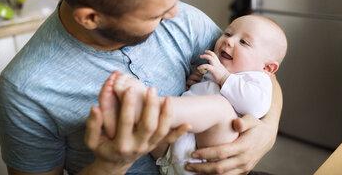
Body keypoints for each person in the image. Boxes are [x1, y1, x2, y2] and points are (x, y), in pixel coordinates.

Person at [0, 0, 283, 174]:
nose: (175, 14)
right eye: (156, 14)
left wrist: (267, 131)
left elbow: (256, 70)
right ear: (91, 18)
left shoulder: (184, 18)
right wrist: (111, 165)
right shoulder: (26, 90)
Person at [107, 15, 287, 175]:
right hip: (172, 152)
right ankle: (132, 114)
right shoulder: (217, 70)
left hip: (212, 158)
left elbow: (256, 106)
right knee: (146, 128)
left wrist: (223, 77)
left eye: (244, 42)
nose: (228, 41)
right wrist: (197, 83)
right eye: (228, 33)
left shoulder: (258, 79)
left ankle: (149, 106)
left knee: (220, 107)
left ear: (267, 68)